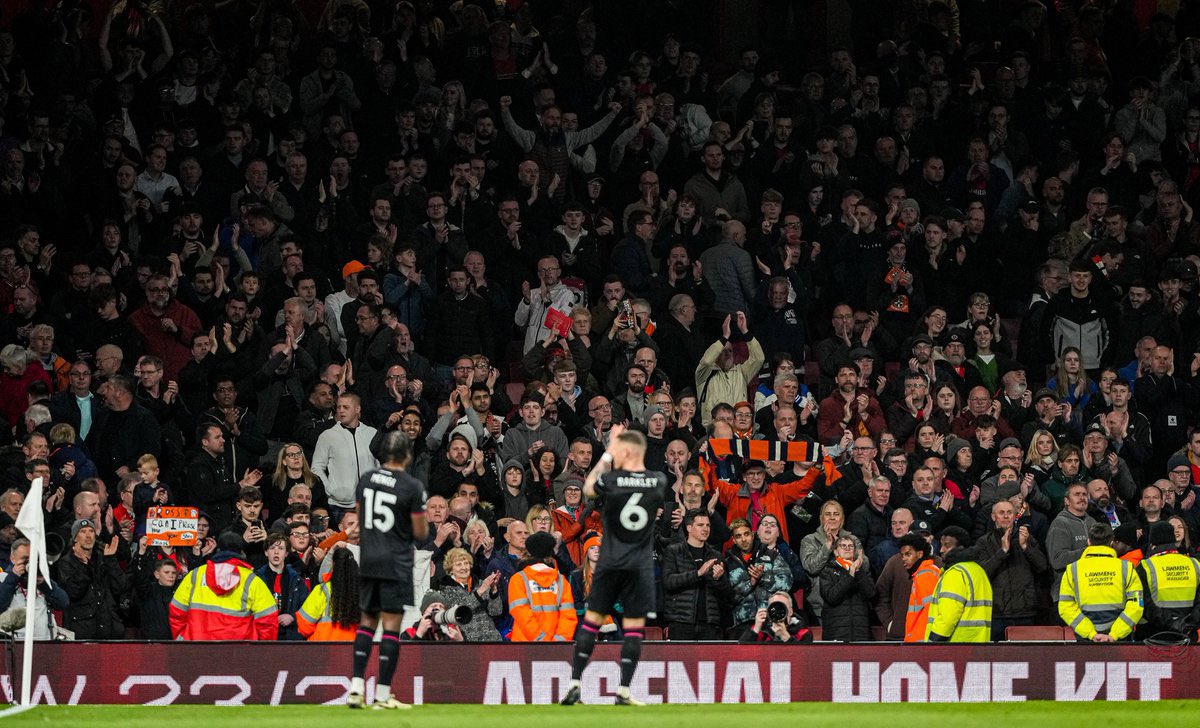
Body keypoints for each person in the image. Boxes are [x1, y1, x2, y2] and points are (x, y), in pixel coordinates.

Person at [562, 426, 668, 707]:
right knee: (634, 629)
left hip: (609, 561)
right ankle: (623, 690)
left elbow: (587, 488)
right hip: (639, 565)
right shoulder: (658, 480)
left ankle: (574, 683)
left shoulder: (612, 479)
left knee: (592, 622)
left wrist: (608, 451)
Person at [348, 432, 428, 710]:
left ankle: (356, 689)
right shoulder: (411, 486)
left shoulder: (366, 479)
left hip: (369, 559)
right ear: (407, 456)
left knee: (367, 622)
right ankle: (382, 695)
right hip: (396, 562)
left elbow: (361, 516)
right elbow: (420, 532)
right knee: (391, 627)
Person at [169, 532, 279, 640]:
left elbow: (176, 613)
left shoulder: (195, 575)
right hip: (238, 653)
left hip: (197, 650)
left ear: (219, 549)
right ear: (241, 552)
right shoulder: (251, 580)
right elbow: (268, 621)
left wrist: (183, 641)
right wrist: (260, 652)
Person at [1058, 522, 1145, 642]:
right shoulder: (1127, 568)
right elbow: (1137, 605)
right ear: (1111, 543)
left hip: (1085, 639)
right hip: (1120, 639)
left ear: (1089, 542)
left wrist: (1091, 633)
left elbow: (1065, 607)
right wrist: (1114, 634)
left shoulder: (1072, 570)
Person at [661, 509, 731, 640]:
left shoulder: (715, 555)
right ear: (689, 527)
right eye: (700, 525)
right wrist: (698, 574)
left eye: (708, 525)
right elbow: (668, 582)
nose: (706, 529)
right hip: (681, 622)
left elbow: (727, 594)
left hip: (710, 624)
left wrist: (718, 579)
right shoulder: (674, 551)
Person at [508, 530, 578, 642]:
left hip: (524, 646)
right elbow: (568, 616)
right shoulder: (561, 580)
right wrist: (557, 642)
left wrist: (540, 640)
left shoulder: (518, 579)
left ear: (529, 553)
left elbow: (521, 614)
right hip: (556, 649)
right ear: (551, 554)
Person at [1135, 521, 1200, 639]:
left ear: (1152, 543)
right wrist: (1189, 623)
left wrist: (1171, 624)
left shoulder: (1145, 566)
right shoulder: (1194, 564)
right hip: (1187, 634)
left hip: (1153, 634)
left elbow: (1143, 602)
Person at [0, 538, 69, 639]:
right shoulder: (3, 578)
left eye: (33, 559)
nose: (30, 563)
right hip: (14, 645)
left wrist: (43, 584)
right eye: (25, 559)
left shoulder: (41, 579)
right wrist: (13, 577)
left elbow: (63, 603)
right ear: (12, 558)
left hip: (45, 643)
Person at [925, 545, 993, 642]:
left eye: (946, 546)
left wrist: (933, 642)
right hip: (979, 643)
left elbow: (948, 617)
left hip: (956, 646)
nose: (941, 550)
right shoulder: (978, 571)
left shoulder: (955, 573)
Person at [297, 546, 360, 641]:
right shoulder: (362, 592)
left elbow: (304, 626)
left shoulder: (323, 590)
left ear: (333, 565)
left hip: (322, 649)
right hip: (351, 649)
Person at [901, 532, 940, 642]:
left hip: (922, 642)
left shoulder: (925, 575)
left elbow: (931, 611)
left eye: (908, 554)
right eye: (902, 555)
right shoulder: (926, 572)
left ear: (920, 554)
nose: (903, 558)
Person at [738, 591, 814, 643]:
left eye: (782, 607)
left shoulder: (803, 632)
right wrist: (756, 629)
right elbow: (741, 652)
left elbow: (803, 660)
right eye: (774, 608)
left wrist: (786, 637)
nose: (778, 611)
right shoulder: (761, 630)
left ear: (790, 611)